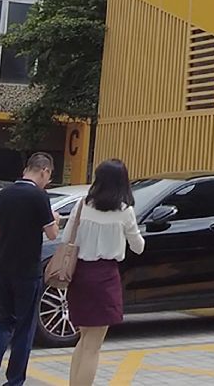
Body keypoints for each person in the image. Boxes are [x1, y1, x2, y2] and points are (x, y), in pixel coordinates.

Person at [0, 153, 59, 386]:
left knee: (4, 321)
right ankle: (14, 380)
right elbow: (52, 234)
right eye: (48, 176)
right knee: (24, 328)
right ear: (44, 171)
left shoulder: (4, 194)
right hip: (27, 270)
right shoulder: (39, 196)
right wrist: (54, 218)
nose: (47, 181)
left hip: (3, 268)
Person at [65, 159, 145, 386]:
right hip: (105, 277)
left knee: (83, 340)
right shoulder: (124, 211)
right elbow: (138, 247)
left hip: (80, 275)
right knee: (93, 347)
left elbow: (67, 237)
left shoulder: (82, 205)